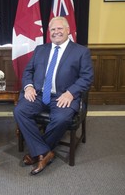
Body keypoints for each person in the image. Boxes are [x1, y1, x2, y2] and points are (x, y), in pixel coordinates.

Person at [14, 16, 93, 175]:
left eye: (60, 28)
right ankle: (44, 152)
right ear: (49, 32)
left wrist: (71, 92)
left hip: (63, 96)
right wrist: (29, 87)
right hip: (38, 94)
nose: (56, 32)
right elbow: (28, 71)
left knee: (62, 118)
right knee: (19, 111)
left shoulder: (81, 51)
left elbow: (87, 77)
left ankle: (37, 152)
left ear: (68, 30)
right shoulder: (40, 50)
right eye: (53, 29)